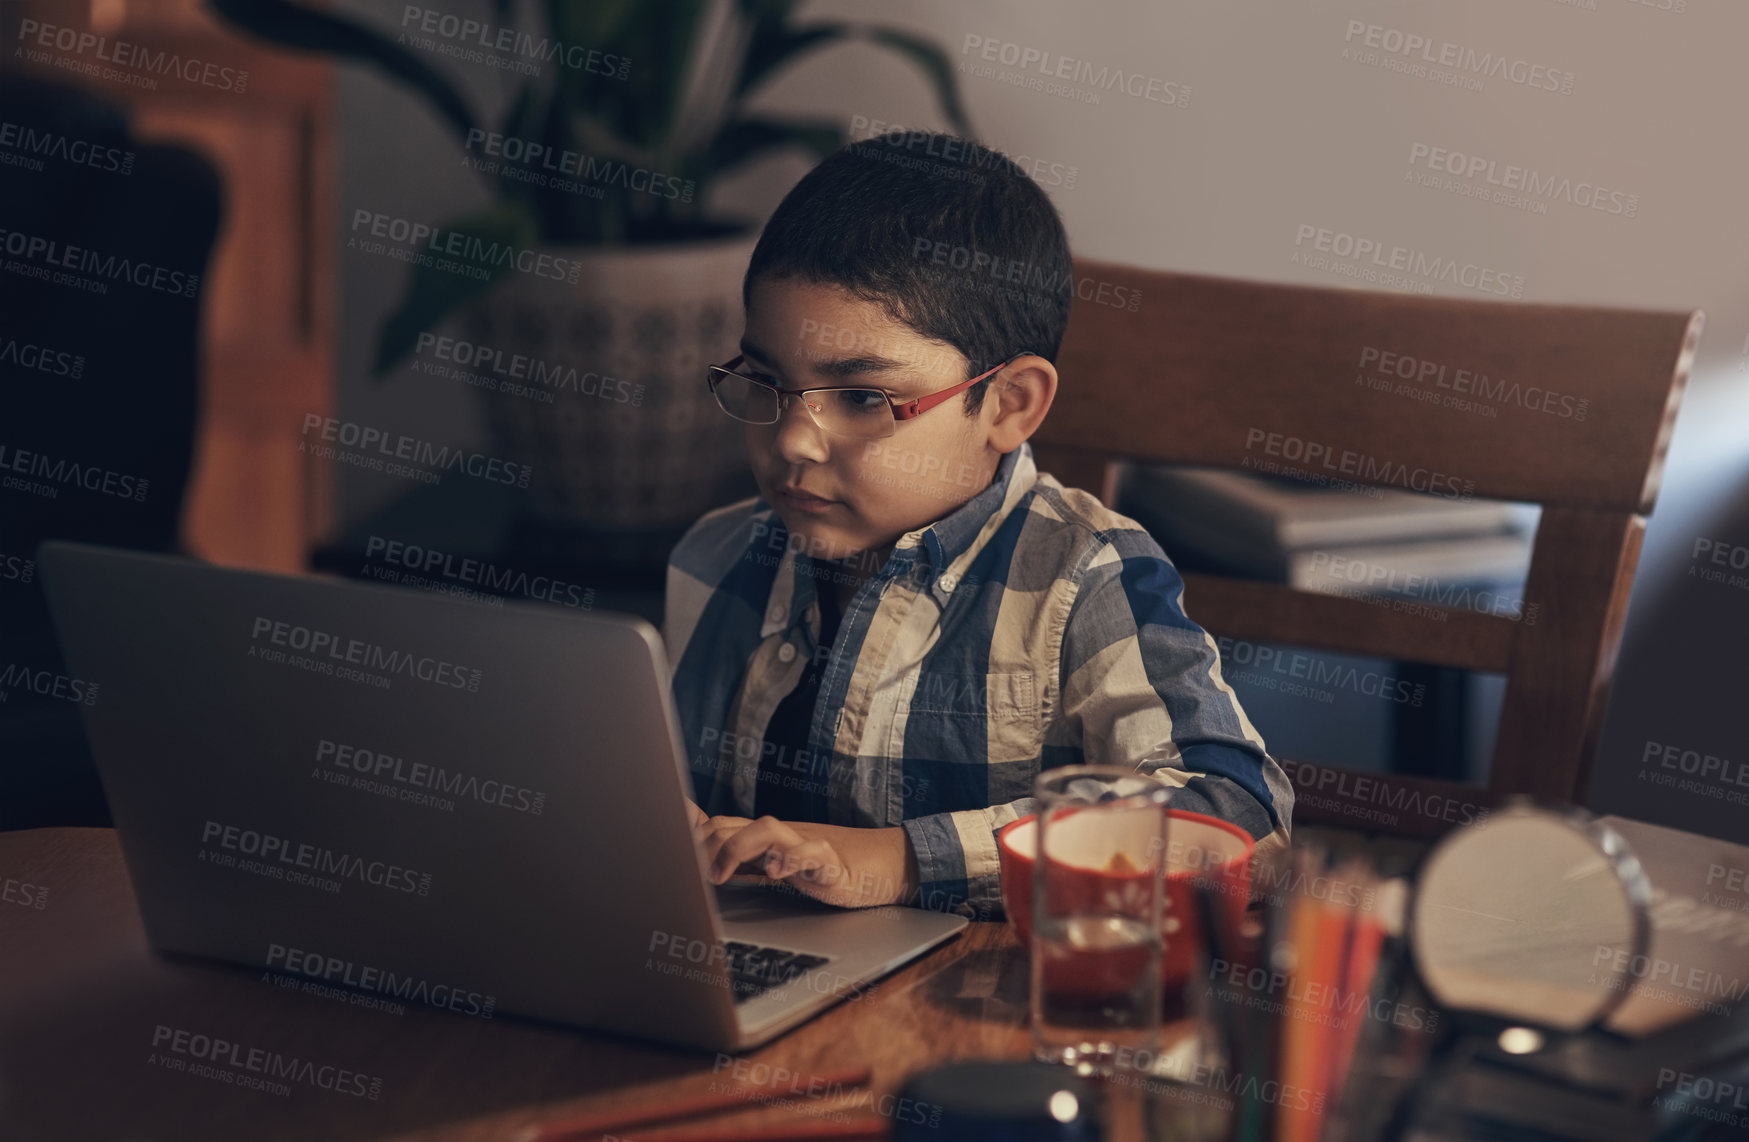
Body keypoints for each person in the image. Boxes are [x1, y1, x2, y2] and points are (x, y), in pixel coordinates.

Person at [663, 130, 1292, 920]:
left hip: (986, 1008)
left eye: (861, 399)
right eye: (766, 381)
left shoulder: (1083, 576)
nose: (791, 439)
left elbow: (1231, 820)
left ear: (1008, 404)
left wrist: (901, 862)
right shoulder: (711, 557)